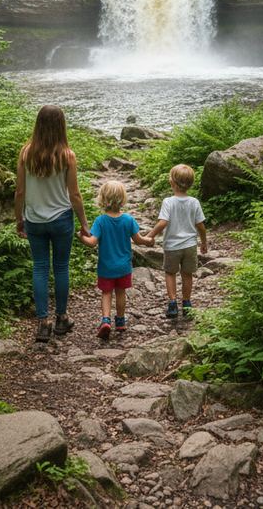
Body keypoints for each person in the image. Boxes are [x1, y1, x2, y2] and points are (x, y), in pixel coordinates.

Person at [15, 105, 91, 343]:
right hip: (61, 219)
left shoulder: (26, 153)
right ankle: (61, 318)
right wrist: (84, 223)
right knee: (60, 267)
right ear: (61, 126)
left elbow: (19, 191)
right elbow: (75, 195)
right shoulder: (67, 155)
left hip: (35, 220)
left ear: (38, 124)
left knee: (39, 267)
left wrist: (19, 219)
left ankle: (42, 323)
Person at [77, 180, 152, 339]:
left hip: (106, 267)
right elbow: (138, 240)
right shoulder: (128, 220)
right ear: (123, 198)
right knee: (120, 293)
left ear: (103, 199)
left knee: (106, 293)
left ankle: (105, 320)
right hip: (124, 267)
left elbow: (92, 243)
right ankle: (120, 320)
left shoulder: (101, 221)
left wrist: (81, 237)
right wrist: (148, 240)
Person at [146, 164, 207, 319]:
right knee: (187, 275)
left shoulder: (168, 202)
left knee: (170, 273)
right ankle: (186, 303)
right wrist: (204, 242)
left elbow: (163, 222)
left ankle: (172, 303)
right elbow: (201, 225)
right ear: (191, 184)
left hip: (172, 246)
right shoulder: (194, 202)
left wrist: (151, 235)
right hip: (190, 246)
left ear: (172, 183)